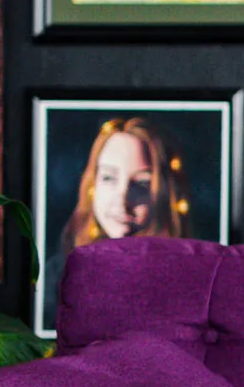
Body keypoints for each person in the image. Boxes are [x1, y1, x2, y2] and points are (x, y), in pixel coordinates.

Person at [40, 117, 193, 330]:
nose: (122, 201)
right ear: (92, 184)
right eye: (109, 178)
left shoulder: (188, 281)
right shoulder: (58, 275)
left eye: (141, 184)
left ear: (166, 194)